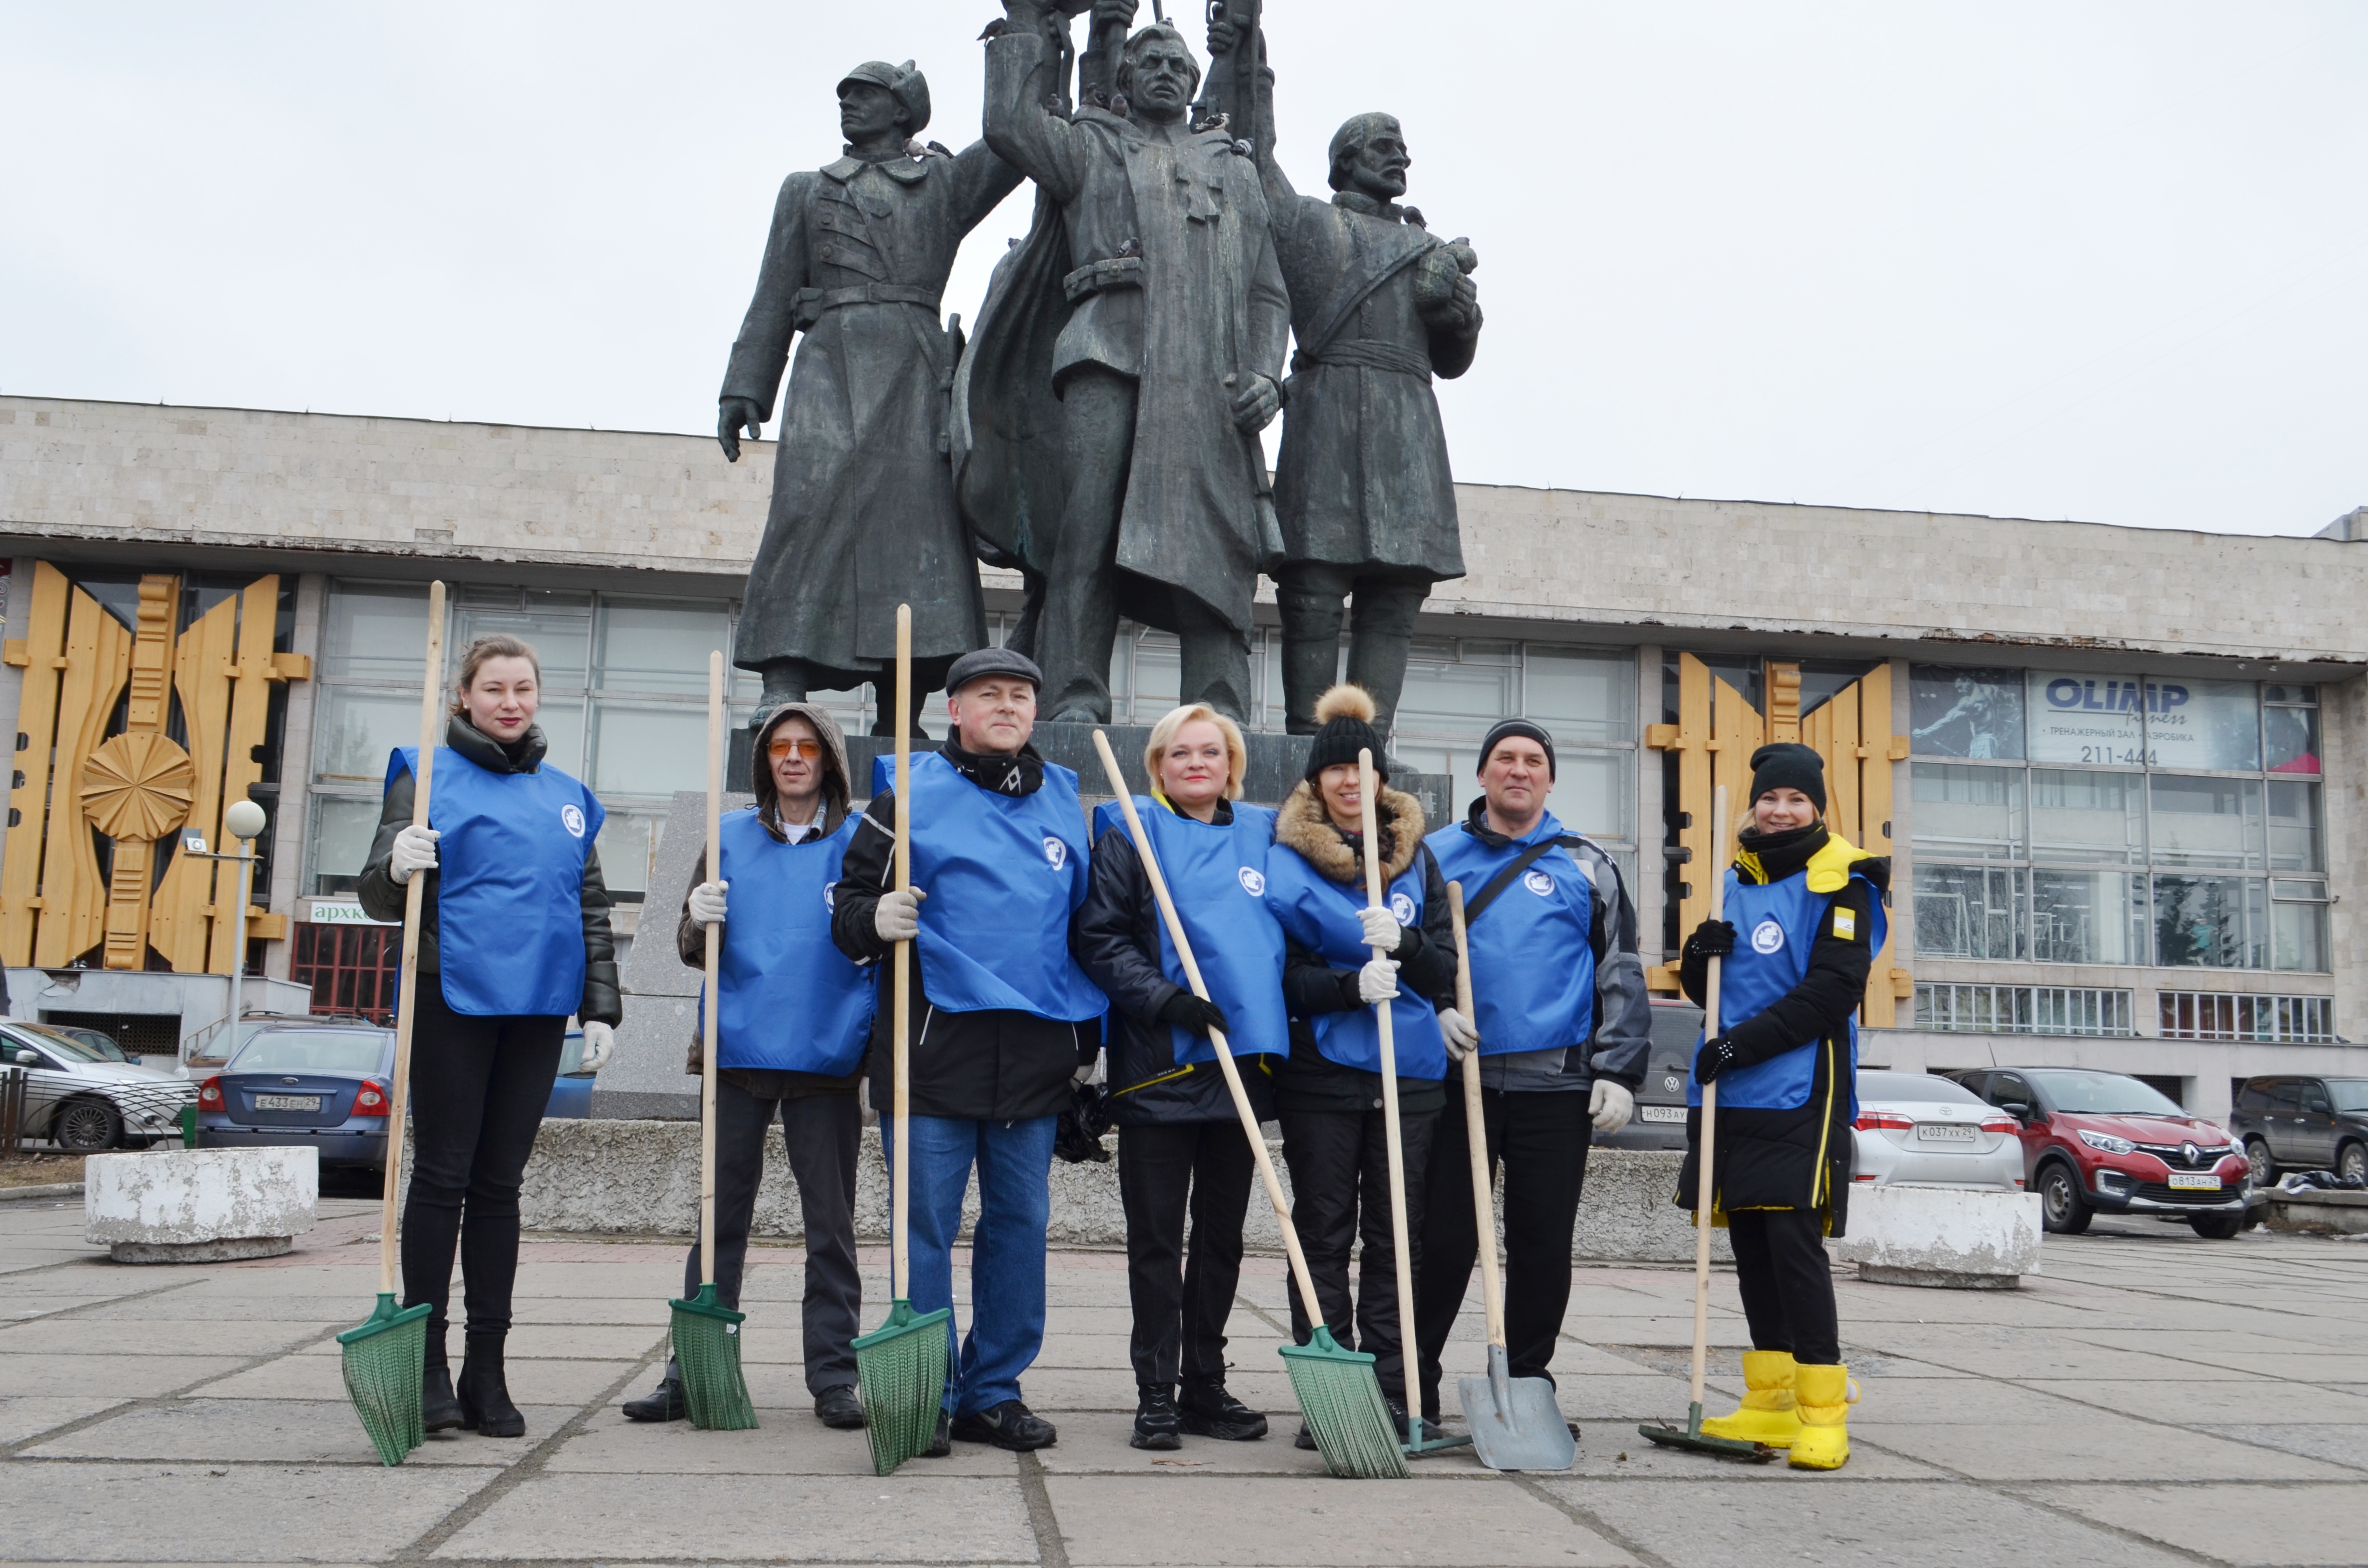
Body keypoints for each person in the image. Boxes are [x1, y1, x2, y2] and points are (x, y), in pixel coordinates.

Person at [966, 0, 1290, 723]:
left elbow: (1268, 288)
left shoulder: (1232, 169)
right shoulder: (1089, 145)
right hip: (1107, 357)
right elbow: (1010, 126)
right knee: (1089, 526)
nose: (1168, 74)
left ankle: (1218, 708)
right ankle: (1076, 694)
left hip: (1211, 380)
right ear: (1126, 73)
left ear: (1197, 81)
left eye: (1181, 66)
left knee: (1218, 537)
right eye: (1153, 64)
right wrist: (1025, 21)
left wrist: (1268, 373)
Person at [829, 647, 1105, 1453]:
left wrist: (1088, 1049)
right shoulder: (906, 794)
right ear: (955, 709)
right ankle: (926, 1388)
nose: (1009, 707)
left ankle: (993, 1390)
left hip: (1034, 1057)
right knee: (924, 1227)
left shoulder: (1062, 798)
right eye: (990, 695)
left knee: (1020, 1223)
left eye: (1021, 695)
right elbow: (847, 906)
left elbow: (1083, 934)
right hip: (931, 1052)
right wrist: (874, 921)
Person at [358, 633, 620, 1440]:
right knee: (443, 1177)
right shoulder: (425, 773)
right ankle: (427, 1365)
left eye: (524, 689)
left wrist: (601, 1007)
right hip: (453, 995)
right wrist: (396, 868)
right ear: (465, 697)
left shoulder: (569, 795)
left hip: (538, 1006)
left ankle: (487, 1369)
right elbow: (374, 893)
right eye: (495, 688)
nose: (511, 702)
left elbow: (591, 908)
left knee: (500, 1187)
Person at [718, 59, 1021, 732]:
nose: (848, 104)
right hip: (829, 361)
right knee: (806, 508)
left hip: (916, 370)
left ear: (904, 109)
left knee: (917, 535)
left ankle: (900, 706)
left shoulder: (942, 184)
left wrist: (1037, 38)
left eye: (865, 94)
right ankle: (783, 678)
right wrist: (745, 386)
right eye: (845, 96)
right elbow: (772, 293)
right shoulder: (805, 189)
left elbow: (1010, 145)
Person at [1204, 15, 1482, 740]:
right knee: (1314, 588)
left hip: (1409, 423)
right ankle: (1308, 736)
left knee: (1395, 594)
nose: (1400, 160)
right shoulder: (1305, 224)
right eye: (1384, 148)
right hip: (1327, 412)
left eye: (1404, 151)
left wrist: (1460, 313)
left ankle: (1369, 746)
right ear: (1344, 161)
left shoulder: (1427, 245)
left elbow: (1453, 360)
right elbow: (1252, 150)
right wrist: (1246, 55)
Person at [620, 703, 876, 1431]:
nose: (793, 758)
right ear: (765, 762)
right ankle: (692, 1369)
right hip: (736, 1054)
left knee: (830, 1226)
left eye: (807, 747)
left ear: (829, 759)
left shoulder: (862, 844)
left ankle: (834, 1376)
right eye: (779, 748)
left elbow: (876, 942)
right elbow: (690, 948)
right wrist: (696, 919)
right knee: (719, 1220)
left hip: (827, 1055)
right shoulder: (727, 838)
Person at [1412, 721, 1651, 1431]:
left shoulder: (1586, 864)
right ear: (1482, 775)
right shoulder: (1434, 857)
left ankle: (1526, 1383)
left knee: (1543, 1240)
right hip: (1462, 1085)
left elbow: (1621, 971)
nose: (1519, 771)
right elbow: (1411, 955)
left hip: (1559, 1088)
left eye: (1533, 762)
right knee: (1444, 1239)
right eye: (1505, 760)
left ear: (1550, 780)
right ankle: (1412, 1380)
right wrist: (1430, 1018)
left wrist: (1619, 1071)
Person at [1073, 703, 1287, 1450]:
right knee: (1157, 1240)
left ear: (1231, 763)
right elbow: (1098, 939)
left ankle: (1205, 1383)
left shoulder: (1265, 834)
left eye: (1211, 752)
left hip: (1241, 1068)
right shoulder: (1130, 832)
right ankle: (1155, 1391)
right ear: (1158, 766)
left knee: (1222, 1238)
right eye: (1179, 753)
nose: (1196, 764)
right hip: (1159, 1069)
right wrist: (1166, 999)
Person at [1259, 683, 1470, 1441]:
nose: (1352, 781)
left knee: (1397, 1239)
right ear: (1317, 781)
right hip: (1322, 1075)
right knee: (1320, 1236)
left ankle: (1394, 1391)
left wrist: (1409, 947)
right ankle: (1332, 1394)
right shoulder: (1286, 857)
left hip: (1409, 1077)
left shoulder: (1417, 855)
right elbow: (1277, 978)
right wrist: (1348, 985)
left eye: (1364, 769)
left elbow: (1447, 963)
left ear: (1382, 778)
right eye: (1336, 772)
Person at [1677, 741, 1888, 1471]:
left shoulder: (1846, 880)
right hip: (1734, 1092)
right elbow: (1713, 998)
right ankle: (1769, 1399)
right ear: (1754, 805)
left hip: (1801, 1086)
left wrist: (1741, 1047)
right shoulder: (1731, 878)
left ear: (1816, 808)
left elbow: (1831, 993)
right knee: (1751, 1250)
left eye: (1796, 799)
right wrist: (1697, 962)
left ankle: (1824, 1411)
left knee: (1794, 1247)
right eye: (1770, 797)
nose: (1780, 809)